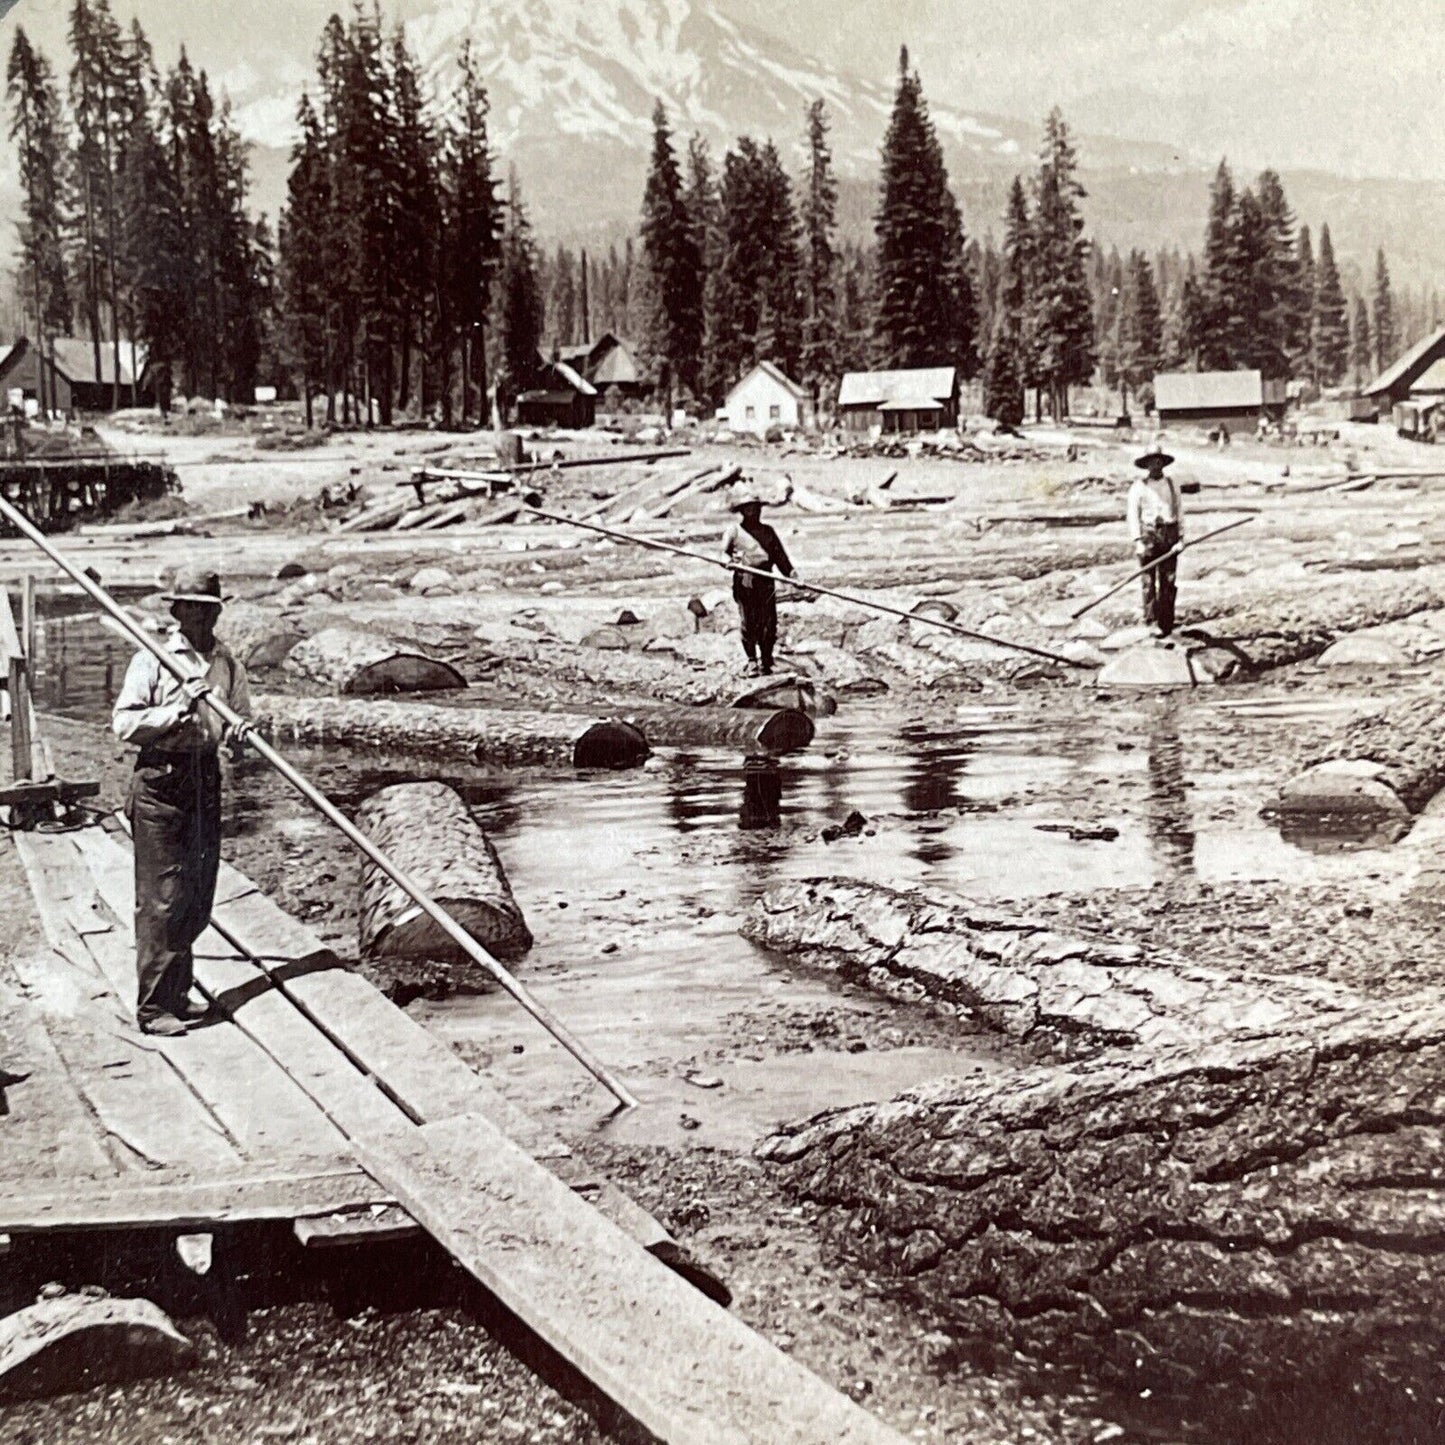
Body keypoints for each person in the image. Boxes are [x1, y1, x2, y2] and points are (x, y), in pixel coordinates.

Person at [112, 567, 253, 1036]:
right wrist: (177, 710)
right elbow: (125, 725)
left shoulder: (228, 663)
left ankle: (178, 993)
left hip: (204, 780)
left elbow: (240, 722)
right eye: (191, 608)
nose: (200, 618)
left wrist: (241, 733)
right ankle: (153, 1009)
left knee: (197, 895)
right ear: (175, 611)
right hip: (161, 781)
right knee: (162, 900)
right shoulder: (152, 660)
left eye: (208, 609)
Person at [720, 484, 796, 676]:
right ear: (742, 511)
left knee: (769, 623)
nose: (754, 511)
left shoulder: (768, 531)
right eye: (749, 508)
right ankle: (752, 661)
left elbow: (781, 558)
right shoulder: (734, 531)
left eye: (756, 507)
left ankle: (767, 661)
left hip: (766, 582)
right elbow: (723, 553)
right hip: (745, 581)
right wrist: (727, 562)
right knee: (749, 622)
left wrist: (793, 576)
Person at [1127, 445, 1183, 637]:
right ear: (1146, 464)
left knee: (1168, 580)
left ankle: (1166, 623)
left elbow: (1180, 511)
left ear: (1163, 462)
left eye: (1159, 460)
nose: (1155, 464)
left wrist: (1181, 538)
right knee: (1148, 580)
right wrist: (1138, 541)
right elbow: (1133, 515)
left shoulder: (1171, 484)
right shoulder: (1138, 487)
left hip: (1169, 535)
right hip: (1148, 535)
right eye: (1151, 461)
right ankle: (1151, 621)